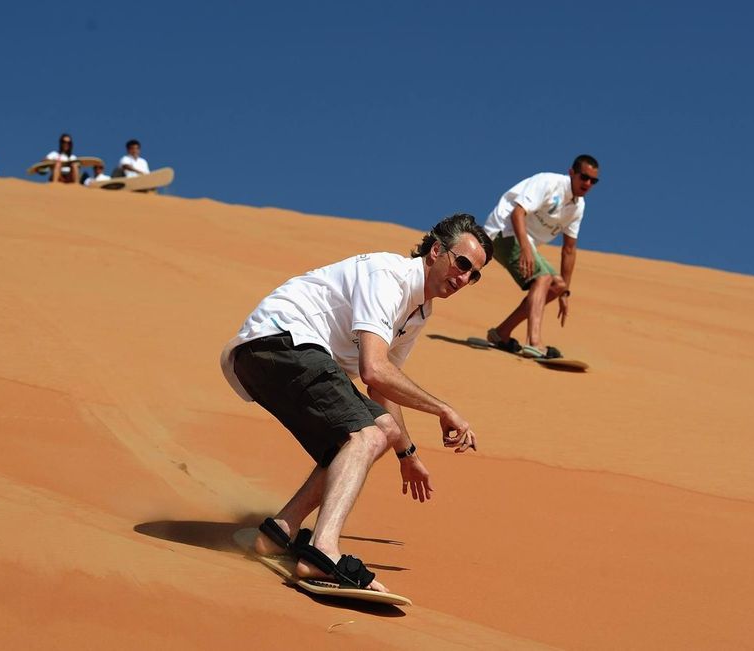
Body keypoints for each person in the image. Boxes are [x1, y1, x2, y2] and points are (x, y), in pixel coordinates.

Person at [220, 213, 492, 594]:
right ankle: (323, 553)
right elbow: (374, 370)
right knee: (362, 437)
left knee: (379, 430)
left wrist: (406, 452)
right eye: (462, 264)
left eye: (474, 274)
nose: (464, 278)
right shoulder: (389, 276)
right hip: (280, 342)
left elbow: (383, 390)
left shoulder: (417, 312)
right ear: (436, 252)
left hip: (278, 354)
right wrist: (443, 409)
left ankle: (279, 531)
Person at [482, 154, 600, 359]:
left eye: (593, 180)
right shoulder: (548, 182)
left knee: (557, 285)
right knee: (542, 279)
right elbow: (517, 213)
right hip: (502, 232)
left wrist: (564, 293)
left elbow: (569, 249)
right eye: (584, 177)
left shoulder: (578, 206)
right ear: (571, 173)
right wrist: (526, 248)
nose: (588, 183)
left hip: (525, 241)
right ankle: (534, 343)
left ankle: (501, 333)